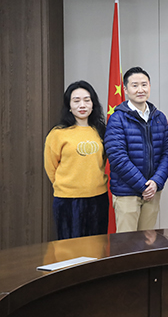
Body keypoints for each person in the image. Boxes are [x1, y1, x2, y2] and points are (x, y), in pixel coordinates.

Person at [104, 67, 168, 233]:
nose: (140, 89)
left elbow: (167, 153)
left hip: (153, 192)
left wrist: (156, 182)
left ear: (150, 87)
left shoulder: (159, 117)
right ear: (126, 90)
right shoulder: (117, 118)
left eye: (144, 85)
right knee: (127, 243)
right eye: (135, 85)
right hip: (127, 193)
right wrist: (143, 186)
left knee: (147, 241)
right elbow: (117, 158)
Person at [44, 80, 109, 239]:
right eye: (76, 100)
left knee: (97, 246)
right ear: (69, 105)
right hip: (67, 200)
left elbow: (103, 161)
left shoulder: (101, 130)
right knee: (69, 247)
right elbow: (51, 167)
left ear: (93, 104)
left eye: (87, 100)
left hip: (98, 198)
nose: (82, 105)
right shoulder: (58, 133)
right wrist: (68, 185)